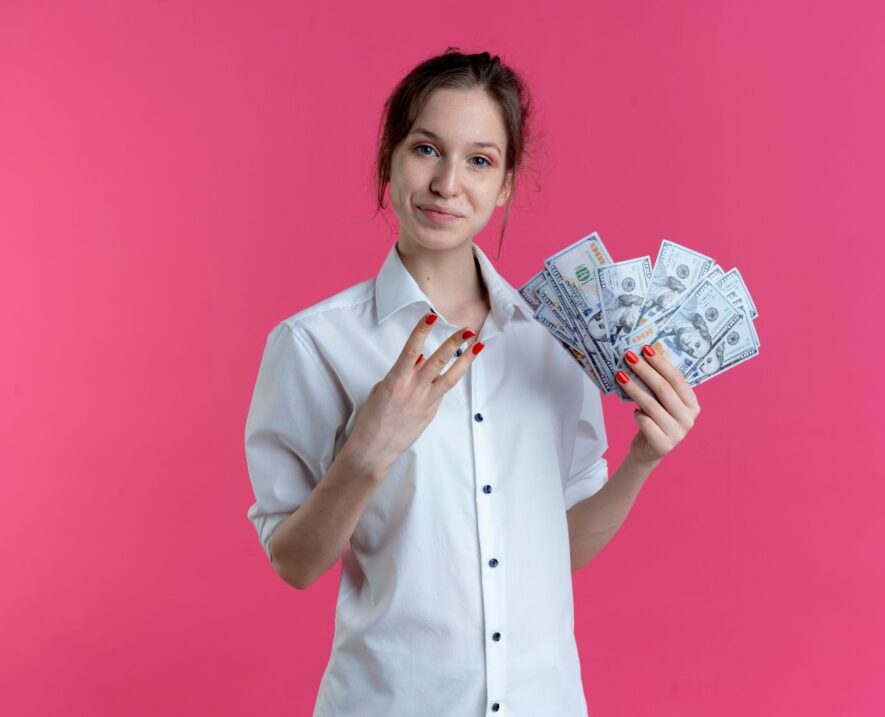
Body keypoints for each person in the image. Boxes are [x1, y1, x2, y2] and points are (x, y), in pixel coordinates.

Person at [244, 48, 702, 717]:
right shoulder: (315, 343)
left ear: (507, 182)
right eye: (427, 149)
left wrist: (643, 459)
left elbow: (561, 548)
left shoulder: (554, 340)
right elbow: (295, 562)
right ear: (390, 158)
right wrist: (369, 452)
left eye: (480, 160)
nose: (447, 183)